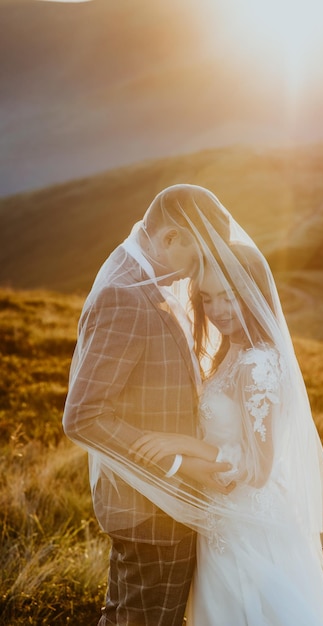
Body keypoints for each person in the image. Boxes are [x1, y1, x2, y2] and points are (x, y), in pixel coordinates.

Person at [130, 213, 323, 624]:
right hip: (223, 518)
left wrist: (181, 444)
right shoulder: (230, 353)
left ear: (253, 294)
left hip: (251, 527)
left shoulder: (257, 364)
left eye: (228, 296)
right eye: (208, 299)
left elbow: (260, 467)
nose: (217, 310)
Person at [62, 184, 236, 626]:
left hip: (157, 507)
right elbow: (83, 416)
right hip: (153, 510)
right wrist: (178, 466)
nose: (199, 270)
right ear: (170, 238)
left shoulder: (147, 270)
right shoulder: (125, 294)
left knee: (126, 618)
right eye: (195, 255)